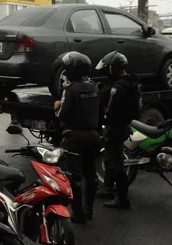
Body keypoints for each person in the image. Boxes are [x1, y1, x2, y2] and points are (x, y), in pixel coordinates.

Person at [54, 51, 101, 223]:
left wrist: (57, 106)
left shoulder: (70, 90)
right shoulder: (94, 87)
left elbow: (63, 114)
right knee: (91, 174)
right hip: (93, 135)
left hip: (74, 137)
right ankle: (89, 211)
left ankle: (78, 213)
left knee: (74, 176)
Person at [95, 51, 140, 209]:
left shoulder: (118, 88)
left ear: (113, 68)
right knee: (109, 158)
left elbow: (110, 110)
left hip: (115, 128)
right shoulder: (130, 82)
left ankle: (122, 198)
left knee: (116, 163)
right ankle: (107, 189)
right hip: (123, 126)